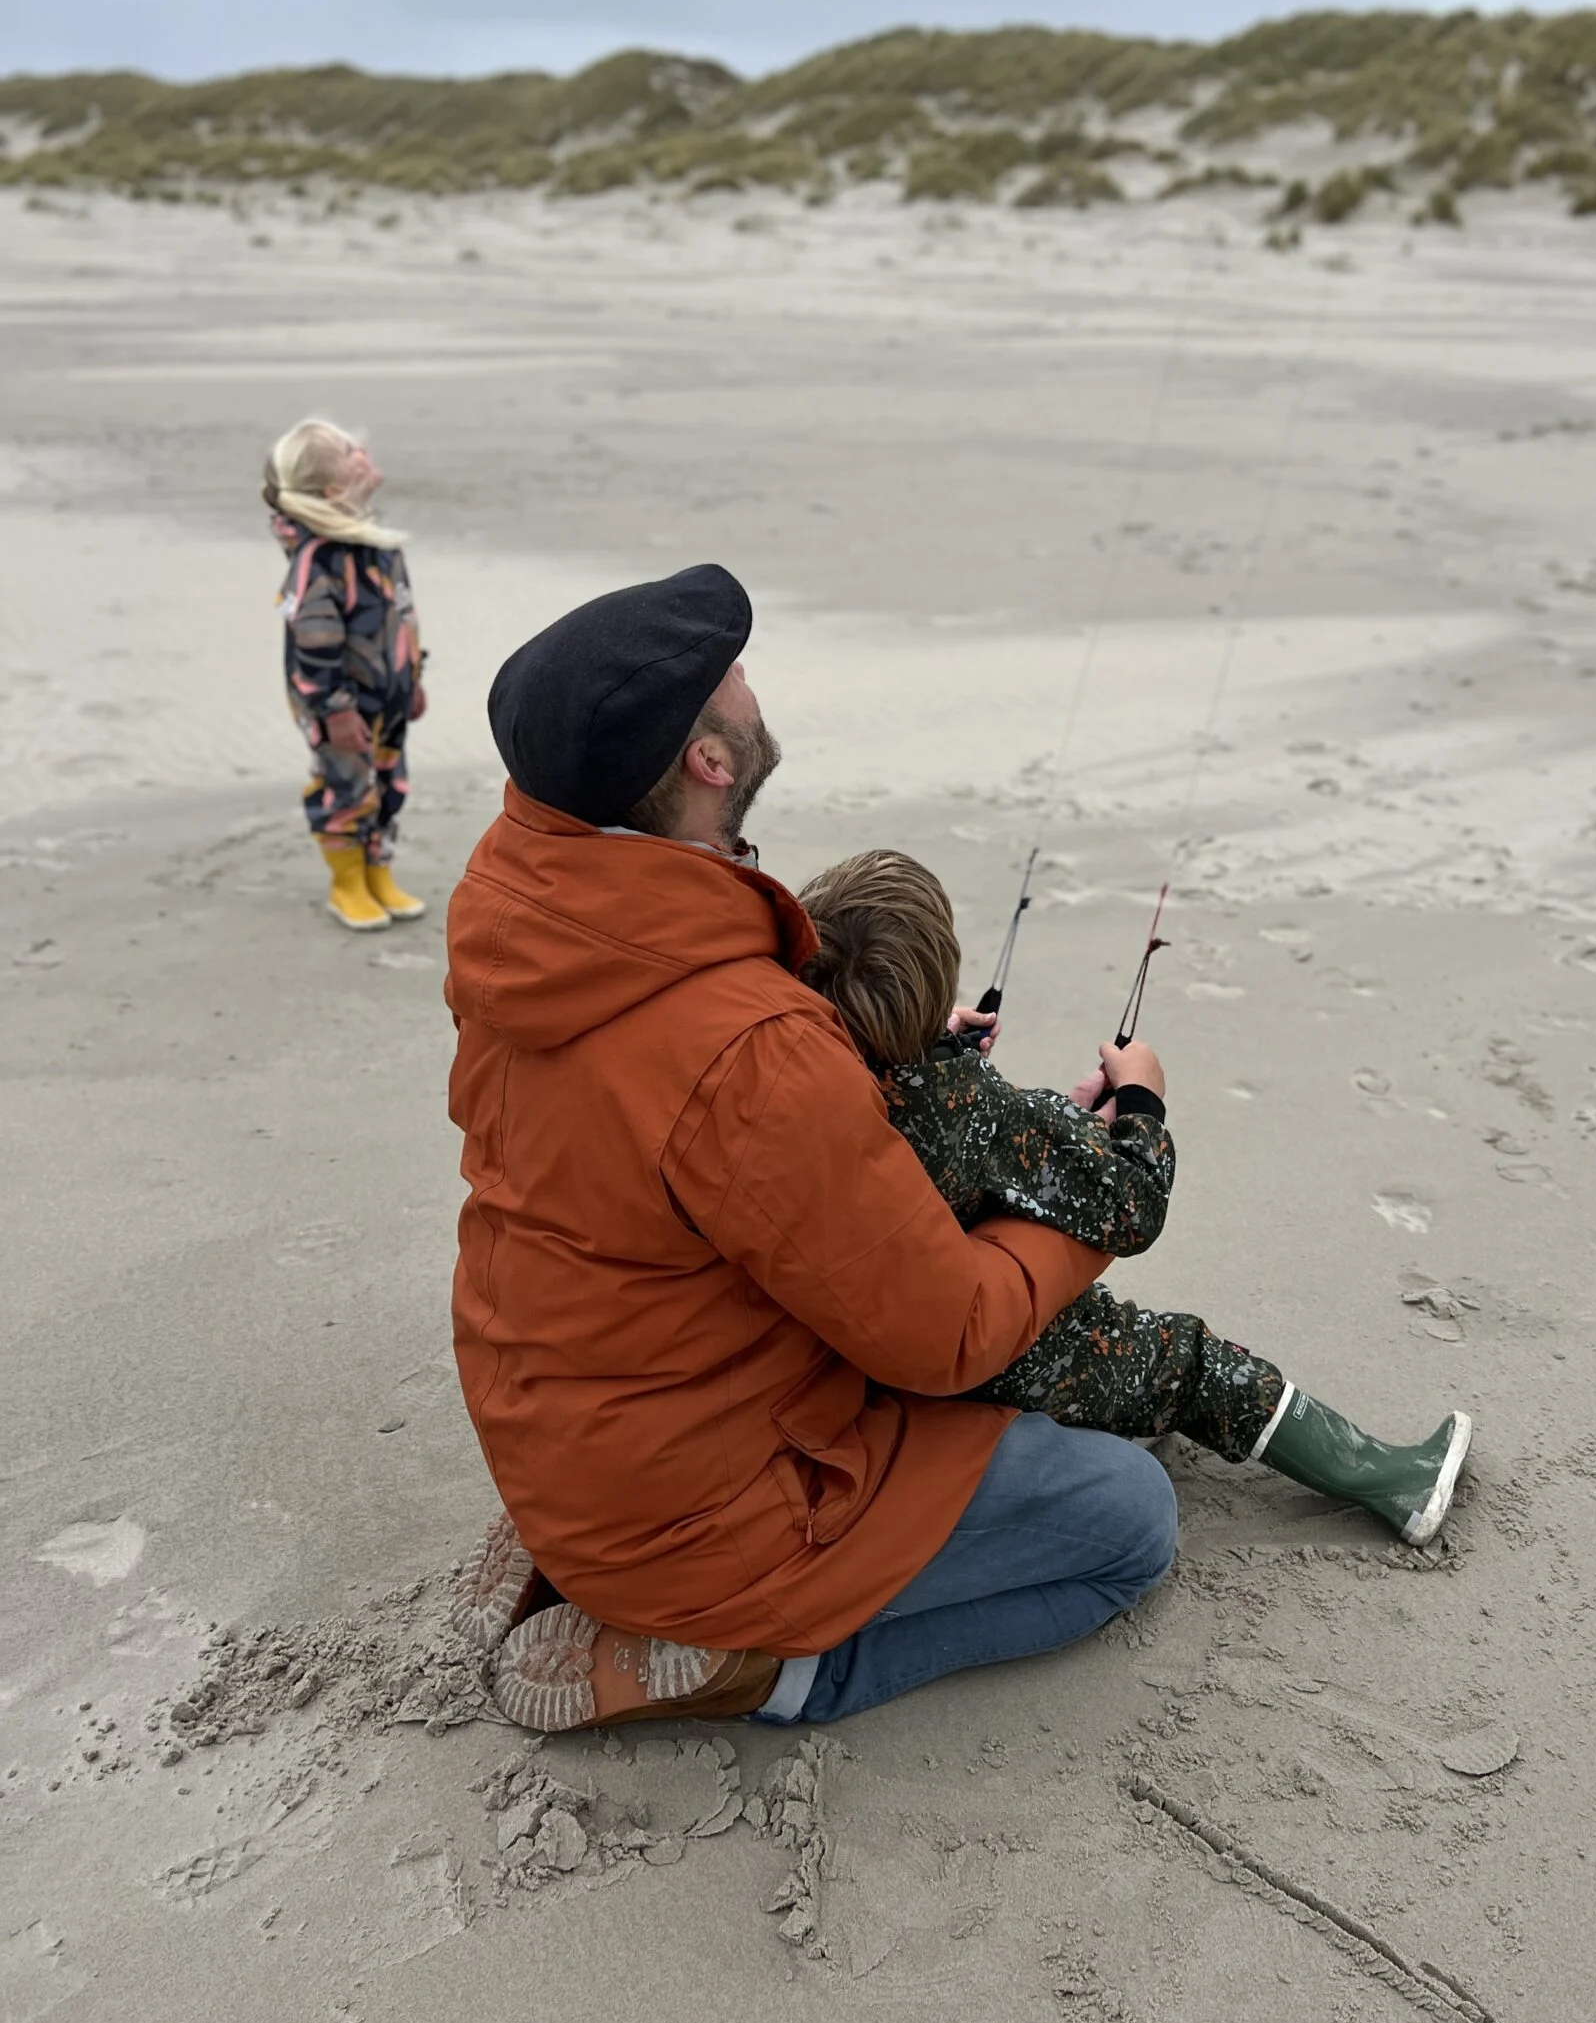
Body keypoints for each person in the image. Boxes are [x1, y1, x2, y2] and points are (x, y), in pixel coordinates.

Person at [447, 565, 1177, 1736]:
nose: (749, 682)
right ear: (709, 759)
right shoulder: (750, 1046)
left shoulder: (538, 926)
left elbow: (675, 1129)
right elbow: (948, 1333)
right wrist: (1074, 1195)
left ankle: (585, 1555)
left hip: (561, 1429)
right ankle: (757, 1668)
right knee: (1131, 1521)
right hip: (709, 1513)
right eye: (731, 673)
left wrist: (865, 1056)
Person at [795, 849, 1470, 1544]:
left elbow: (970, 1149)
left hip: (876, 1329)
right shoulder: (967, 1104)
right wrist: (1143, 1102)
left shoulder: (811, 1084)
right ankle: (1395, 1482)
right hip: (975, 1357)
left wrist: (935, 1051)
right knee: (1189, 1362)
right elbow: (1130, 1204)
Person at [263, 417, 428, 932]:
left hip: (389, 691)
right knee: (346, 787)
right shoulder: (319, 560)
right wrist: (334, 711)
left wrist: (415, 674)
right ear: (333, 489)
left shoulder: (380, 546)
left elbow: (404, 615)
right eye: (350, 451)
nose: (363, 451)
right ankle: (347, 883)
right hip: (338, 703)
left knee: (390, 782)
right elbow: (313, 642)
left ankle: (379, 872)